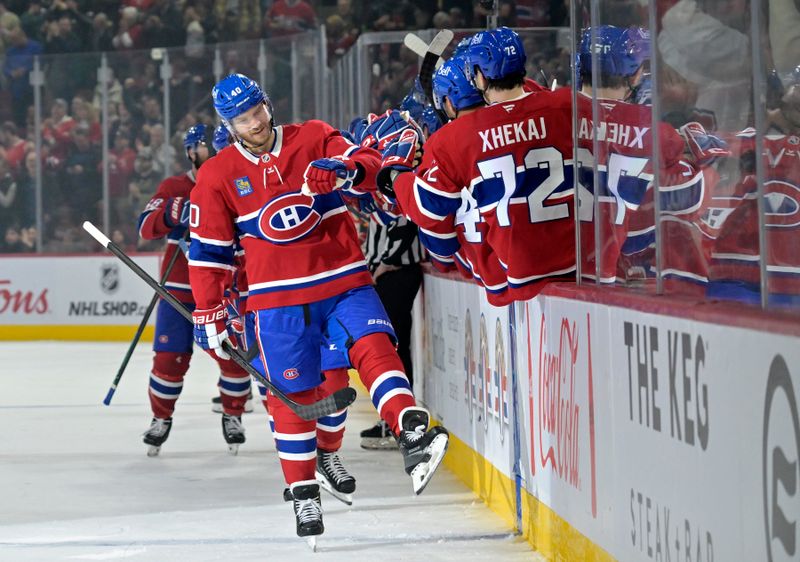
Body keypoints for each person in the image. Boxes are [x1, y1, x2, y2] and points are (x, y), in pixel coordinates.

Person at [188, 74, 449, 539]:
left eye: (258, 111)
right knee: (295, 399)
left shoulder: (312, 135)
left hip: (343, 279)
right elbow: (209, 252)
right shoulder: (215, 176)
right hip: (276, 303)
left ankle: (410, 427)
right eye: (243, 118)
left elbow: (367, 160)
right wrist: (208, 311)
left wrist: (345, 169)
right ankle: (304, 495)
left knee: (375, 344)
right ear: (228, 124)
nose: (255, 122)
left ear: (268, 103)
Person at [379, 27, 577, 305]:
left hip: (508, 280)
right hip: (580, 268)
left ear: (479, 76)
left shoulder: (452, 141)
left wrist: (396, 175)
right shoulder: (565, 105)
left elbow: (434, 230)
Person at [137, 124, 251, 456]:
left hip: (222, 292)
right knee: (169, 360)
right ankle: (161, 418)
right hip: (177, 291)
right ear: (190, 151)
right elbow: (145, 226)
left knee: (233, 359)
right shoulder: (175, 186)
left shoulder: (235, 181)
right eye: (204, 147)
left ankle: (233, 415)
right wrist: (174, 212)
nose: (214, 151)